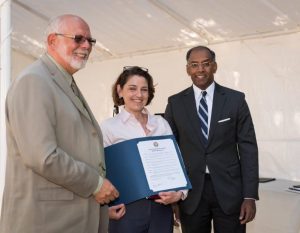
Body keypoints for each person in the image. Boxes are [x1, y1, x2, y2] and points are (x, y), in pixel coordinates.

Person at [0, 14, 119, 233]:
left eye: (90, 41)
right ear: (52, 40)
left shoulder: (62, 80)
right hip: (46, 221)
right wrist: (95, 184)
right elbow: (43, 156)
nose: (86, 46)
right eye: (78, 38)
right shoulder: (34, 81)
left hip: (74, 216)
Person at [164, 46, 259, 233]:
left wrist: (249, 196)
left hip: (230, 193)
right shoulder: (175, 103)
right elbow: (170, 151)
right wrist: (173, 195)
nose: (200, 69)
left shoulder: (236, 100)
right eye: (194, 65)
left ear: (214, 66)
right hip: (190, 195)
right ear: (187, 69)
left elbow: (248, 148)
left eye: (206, 64)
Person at [100, 66, 186, 233]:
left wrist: (179, 194)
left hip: (161, 207)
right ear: (120, 90)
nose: (139, 95)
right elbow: (100, 171)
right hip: (126, 209)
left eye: (144, 90)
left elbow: (177, 162)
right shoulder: (108, 127)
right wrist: (105, 210)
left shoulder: (161, 123)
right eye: (132, 88)